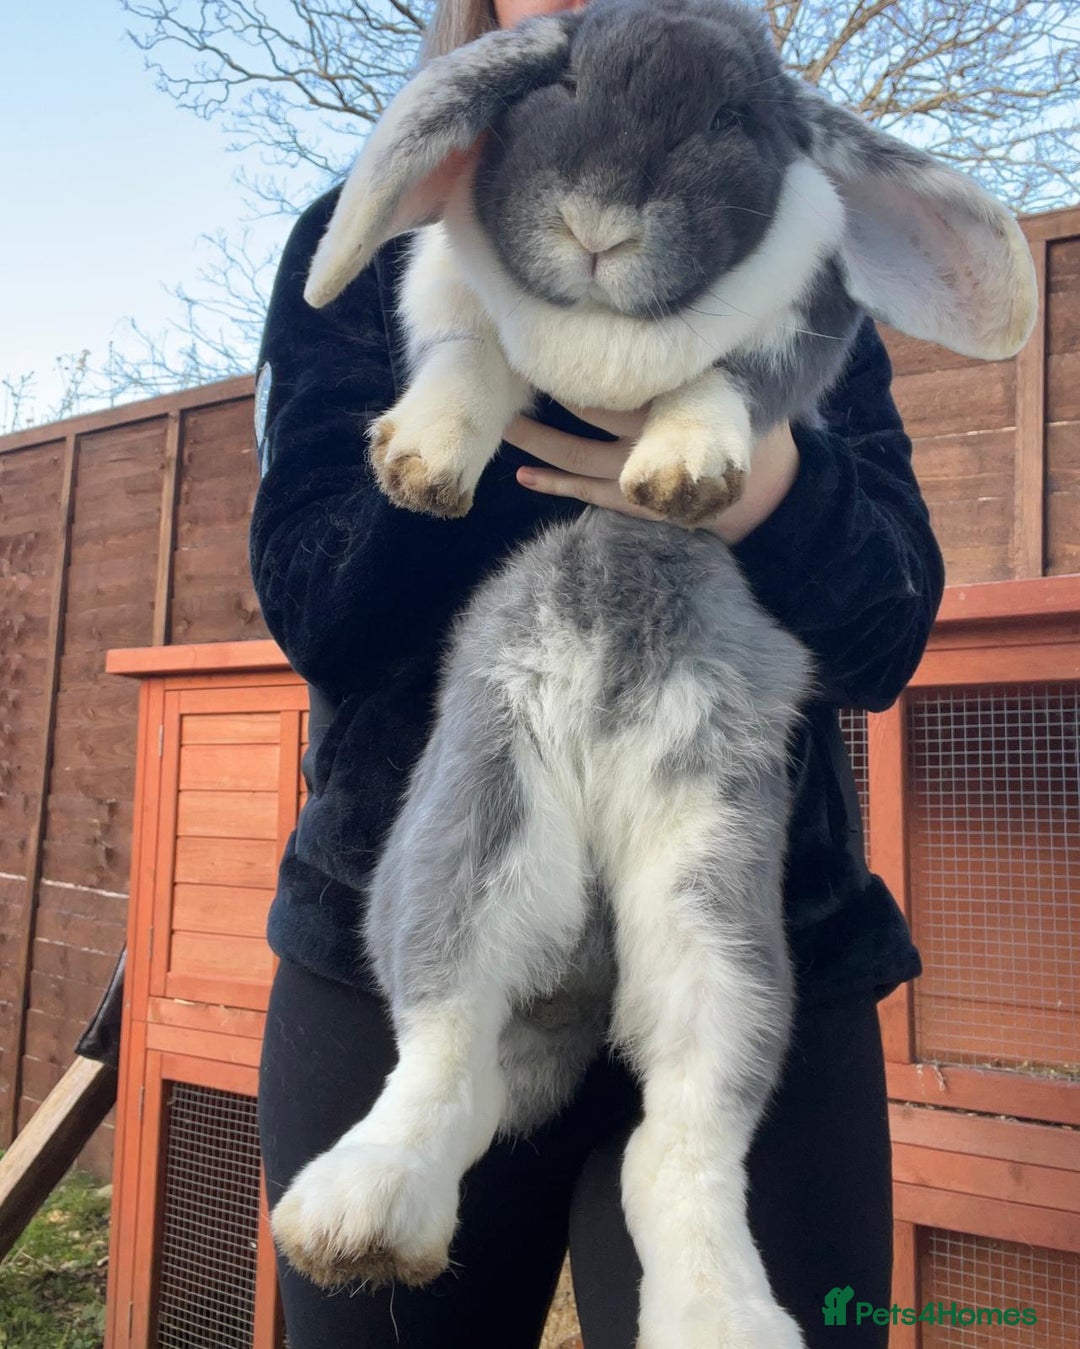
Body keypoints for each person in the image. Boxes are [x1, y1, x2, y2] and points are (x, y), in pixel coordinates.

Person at [251, 1, 945, 1345]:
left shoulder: (793, 235)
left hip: (755, 926)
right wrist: (477, 401)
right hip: (399, 935)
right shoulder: (397, 212)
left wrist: (762, 483)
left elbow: (888, 626)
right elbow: (311, 600)